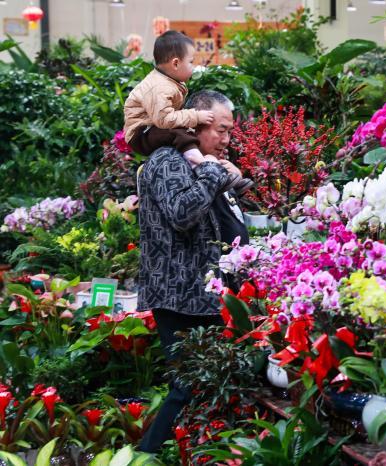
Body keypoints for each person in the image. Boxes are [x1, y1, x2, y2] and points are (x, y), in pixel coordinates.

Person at [137, 90, 249, 453]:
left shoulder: (202, 165)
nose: (226, 140)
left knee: (211, 385)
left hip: (207, 298)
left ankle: (194, 454)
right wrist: (215, 173)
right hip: (179, 296)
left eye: (230, 132)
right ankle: (146, 456)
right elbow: (182, 213)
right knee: (187, 385)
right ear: (196, 123)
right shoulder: (167, 161)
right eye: (221, 130)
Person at [123, 30, 252, 193]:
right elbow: (164, 120)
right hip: (141, 133)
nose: (226, 140)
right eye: (191, 62)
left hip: (151, 127)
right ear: (176, 64)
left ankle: (206, 167)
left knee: (181, 129)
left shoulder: (168, 82)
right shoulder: (159, 87)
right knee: (178, 130)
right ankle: (202, 166)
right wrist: (195, 116)